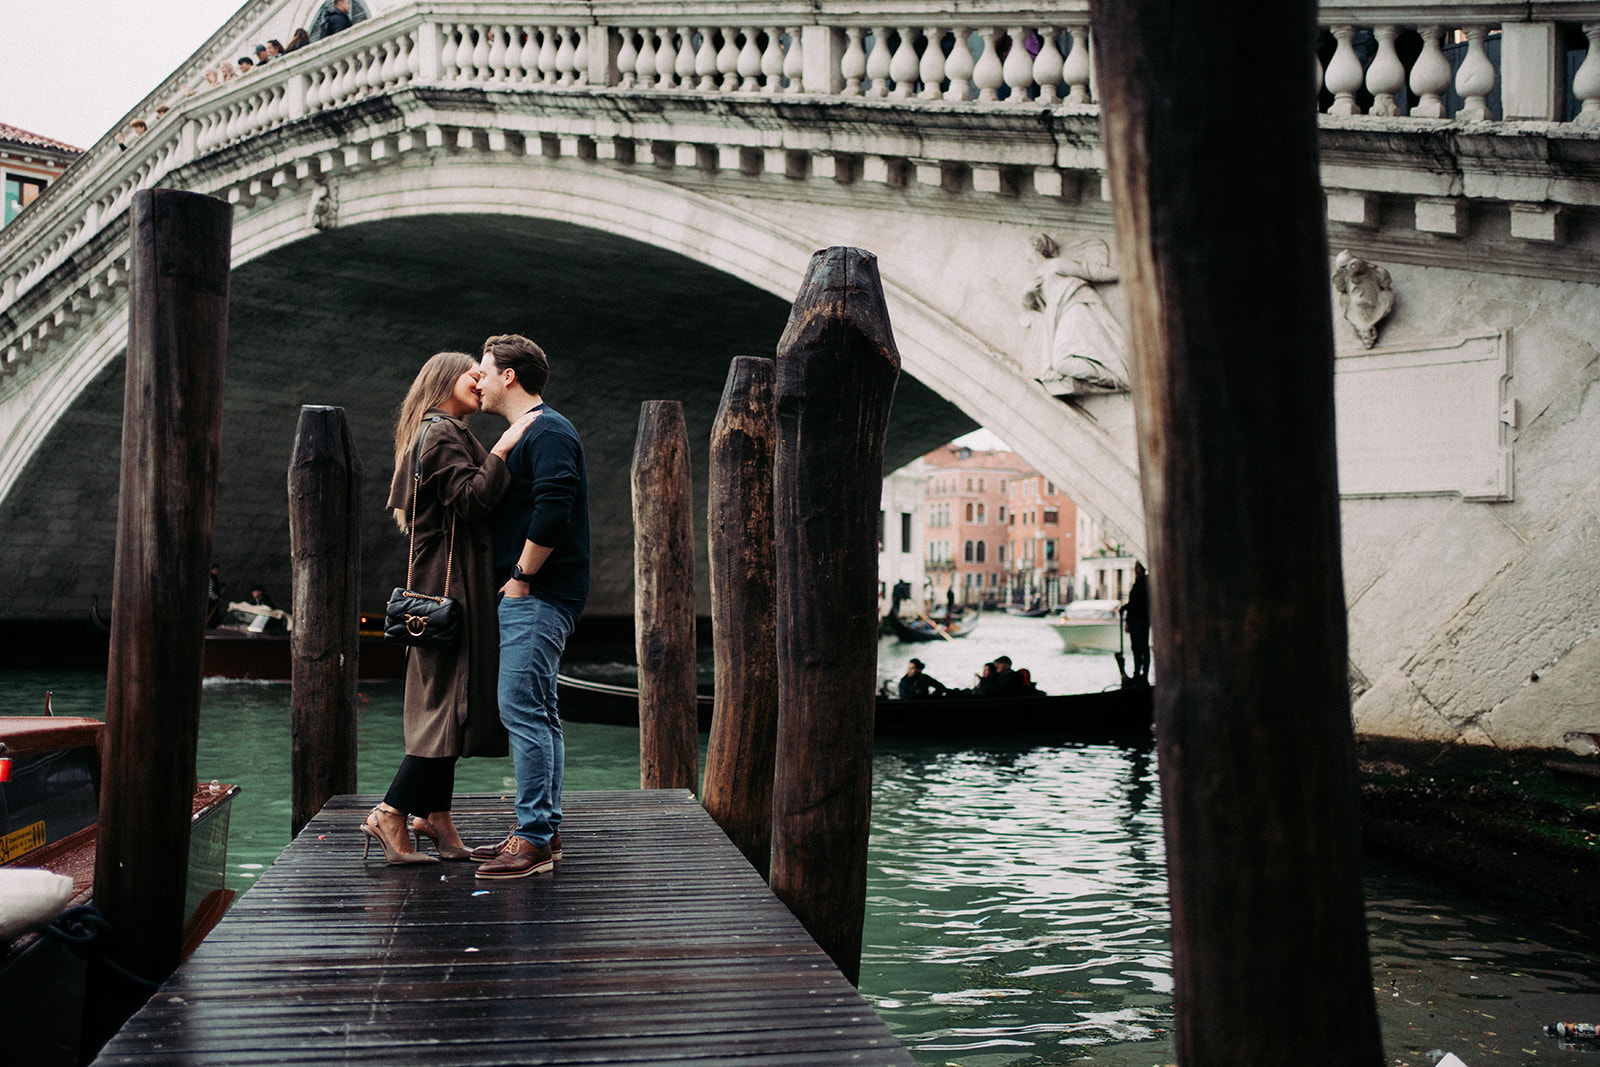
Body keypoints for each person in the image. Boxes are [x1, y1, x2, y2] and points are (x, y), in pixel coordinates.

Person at [362, 352, 537, 865]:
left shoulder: (443, 432)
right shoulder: (440, 435)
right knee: (447, 707)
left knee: (449, 706)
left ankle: (433, 816)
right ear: (444, 381)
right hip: (452, 592)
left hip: (451, 587)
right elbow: (470, 501)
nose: (481, 383)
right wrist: (504, 449)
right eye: (472, 374)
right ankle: (391, 812)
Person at [469, 334, 591, 880]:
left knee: (520, 708)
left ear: (510, 376)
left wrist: (521, 576)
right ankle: (542, 829)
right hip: (539, 592)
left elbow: (555, 503)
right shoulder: (537, 430)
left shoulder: (549, 431)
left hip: (537, 593)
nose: (479, 378)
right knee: (539, 711)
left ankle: (534, 839)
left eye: (485, 369)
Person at [1123, 562, 1150, 684]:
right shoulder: (1138, 584)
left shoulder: (1144, 584)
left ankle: (1142, 675)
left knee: (1142, 648)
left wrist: (1127, 609)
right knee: (1137, 649)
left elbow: (1138, 603)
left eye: (1137, 568)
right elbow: (1134, 603)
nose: (1135, 570)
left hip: (1140, 620)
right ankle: (1138, 673)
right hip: (1136, 620)